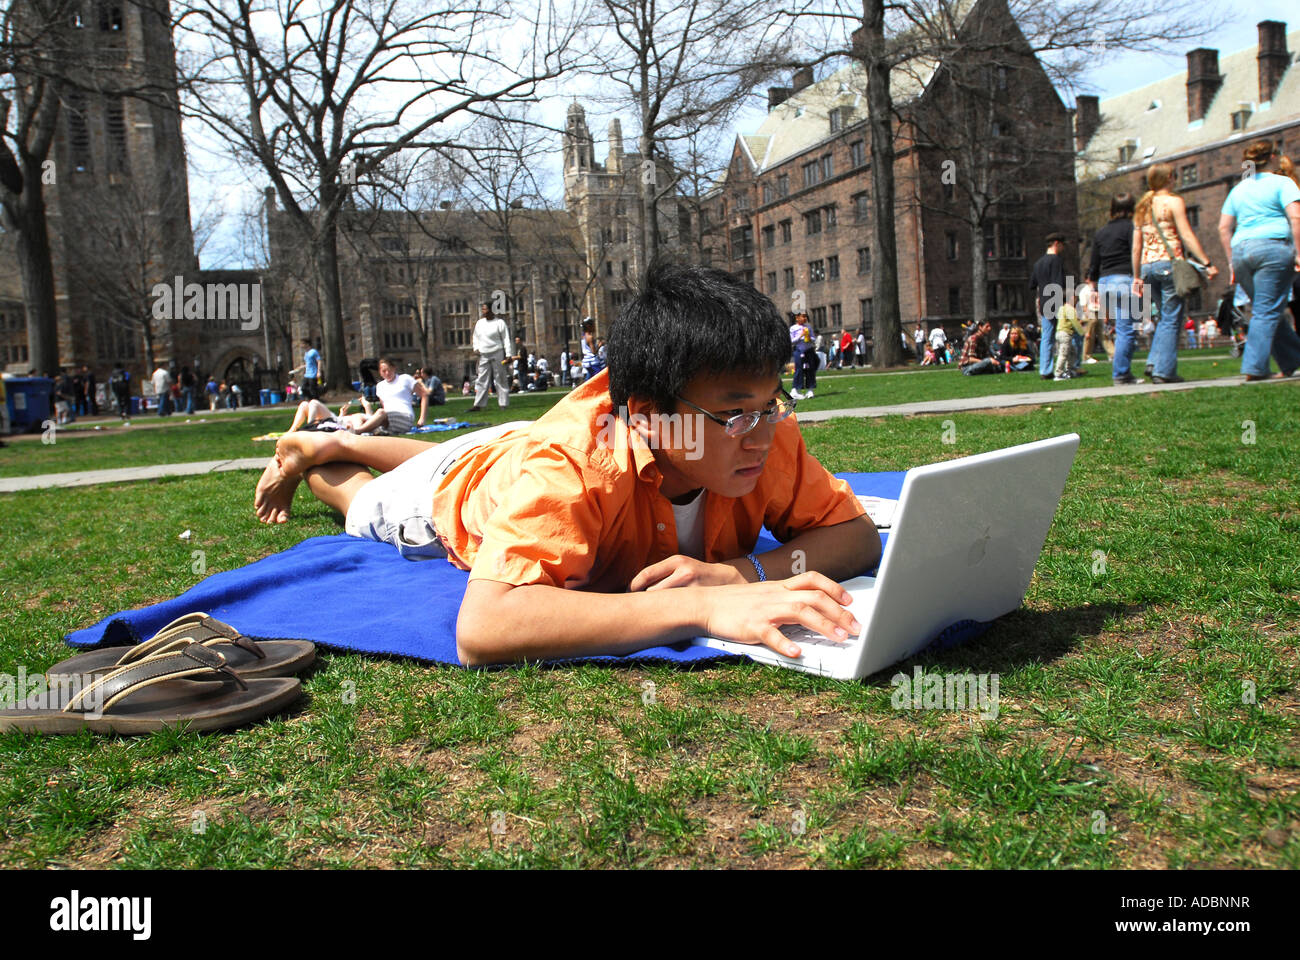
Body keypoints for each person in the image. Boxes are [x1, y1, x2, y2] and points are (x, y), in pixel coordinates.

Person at [252, 260, 878, 665]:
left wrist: (740, 573)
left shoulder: (760, 428)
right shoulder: (575, 464)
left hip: (518, 446)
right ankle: (317, 453)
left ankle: (340, 439)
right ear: (648, 411)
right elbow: (486, 626)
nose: (763, 434)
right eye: (737, 412)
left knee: (471, 447)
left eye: (773, 404)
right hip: (455, 491)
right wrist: (705, 608)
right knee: (366, 500)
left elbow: (854, 536)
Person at [1217, 138, 1300, 381]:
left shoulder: (1239, 189)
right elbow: (1296, 218)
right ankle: (1255, 368)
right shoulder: (1283, 182)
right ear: (1273, 158)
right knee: (1267, 309)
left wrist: (1231, 262)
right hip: (1272, 248)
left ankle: (1293, 358)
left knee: (1268, 307)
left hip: (1242, 252)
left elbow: (1223, 228)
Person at [1132, 163, 1219, 384]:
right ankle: (1164, 371)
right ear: (1169, 178)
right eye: (1175, 176)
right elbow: (1186, 235)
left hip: (1147, 266)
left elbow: (1136, 246)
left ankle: (1154, 362)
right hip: (1169, 264)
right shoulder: (1174, 202)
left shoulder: (1142, 206)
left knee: (1164, 317)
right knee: (1172, 319)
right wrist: (1206, 262)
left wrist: (1137, 276)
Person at [1089, 193, 1135, 383]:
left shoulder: (1101, 232)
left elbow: (1094, 263)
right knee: (1126, 329)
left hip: (1105, 281)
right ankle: (1121, 373)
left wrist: (1093, 288)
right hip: (1123, 278)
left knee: (1118, 328)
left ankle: (1122, 371)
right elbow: (1135, 252)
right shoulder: (1131, 228)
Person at [346, 358, 430, 434]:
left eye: (389, 370)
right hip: (387, 418)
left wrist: (422, 419)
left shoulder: (405, 379)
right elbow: (384, 405)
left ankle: (357, 431)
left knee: (380, 412)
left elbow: (424, 395)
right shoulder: (380, 386)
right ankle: (357, 432)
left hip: (405, 417)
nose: (387, 373)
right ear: (380, 372)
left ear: (394, 368)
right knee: (358, 416)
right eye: (384, 371)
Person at [1029, 232, 1068, 379]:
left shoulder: (1038, 263)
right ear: (1057, 243)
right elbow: (1058, 283)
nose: (1063, 248)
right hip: (1055, 301)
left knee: (1047, 337)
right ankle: (1068, 367)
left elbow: (1032, 284)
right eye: (1062, 245)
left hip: (1044, 302)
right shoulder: (1056, 261)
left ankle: (1045, 370)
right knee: (1068, 334)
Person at [470, 303, 510, 411]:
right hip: (484, 353)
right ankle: (478, 404)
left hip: (497, 352)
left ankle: (503, 404)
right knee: (482, 379)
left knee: (500, 378)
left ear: (492, 310)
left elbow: (506, 339)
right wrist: (476, 348)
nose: (484, 311)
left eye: (485, 309)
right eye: (482, 309)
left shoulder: (499, 323)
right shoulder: (479, 323)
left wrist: (509, 354)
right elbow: (476, 337)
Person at [1054, 295, 1085, 380]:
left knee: (1072, 353)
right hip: (1065, 334)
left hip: (1059, 333)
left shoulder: (1062, 308)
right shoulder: (1070, 309)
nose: (1076, 301)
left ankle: (1069, 370)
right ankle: (1058, 374)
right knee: (1063, 354)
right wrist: (1082, 333)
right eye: (1075, 298)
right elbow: (1075, 323)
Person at [789, 313, 814, 399]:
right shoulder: (793, 328)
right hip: (799, 350)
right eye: (803, 316)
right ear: (797, 318)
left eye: (805, 316)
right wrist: (801, 336)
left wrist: (810, 338)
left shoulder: (808, 327)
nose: (805, 318)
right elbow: (792, 341)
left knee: (809, 370)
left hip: (808, 350)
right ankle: (795, 389)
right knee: (799, 369)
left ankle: (810, 390)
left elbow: (813, 338)